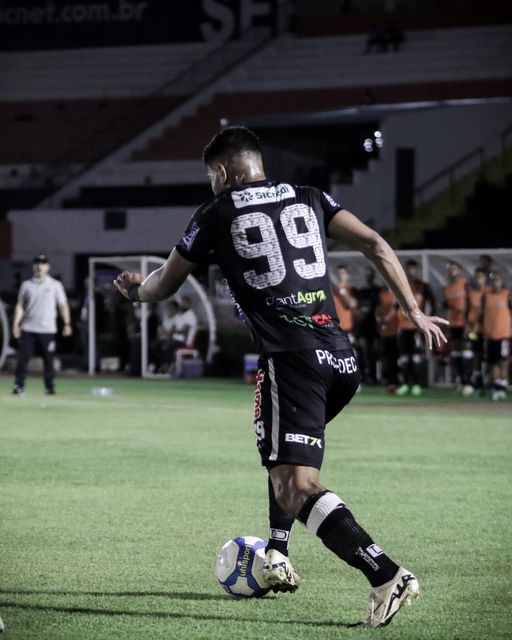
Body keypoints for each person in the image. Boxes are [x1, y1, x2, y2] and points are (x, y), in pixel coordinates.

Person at [114, 126, 447, 628]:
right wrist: (413, 310)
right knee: (285, 466)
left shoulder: (215, 212)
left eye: (211, 177)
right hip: (340, 360)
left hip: (290, 360)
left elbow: (165, 284)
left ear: (222, 172)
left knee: (294, 484)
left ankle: (386, 575)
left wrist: (137, 291)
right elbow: (376, 244)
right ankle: (276, 552)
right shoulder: (309, 196)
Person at [11, 254, 72, 395]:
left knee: (49, 360)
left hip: (48, 329)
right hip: (28, 328)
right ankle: (18, 386)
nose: (40, 266)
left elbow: (63, 305)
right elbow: (20, 306)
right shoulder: (26, 285)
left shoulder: (55, 285)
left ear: (47, 266)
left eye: (43, 263)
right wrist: (16, 324)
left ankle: (49, 387)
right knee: (22, 359)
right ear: (34, 265)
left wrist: (67, 323)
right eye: (37, 263)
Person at [395, 259, 436, 397]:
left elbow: (433, 303)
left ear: (417, 270)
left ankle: (418, 384)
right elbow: (396, 306)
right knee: (404, 358)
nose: (410, 271)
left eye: (413, 268)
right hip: (403, 328)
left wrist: (427, 320)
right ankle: (406, 384)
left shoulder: (423, 286)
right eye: (408, 268)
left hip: (417, 328)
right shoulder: (402, 285)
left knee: (417, 357)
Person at [442, 261, 473, 394]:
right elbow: (447, 304)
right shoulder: (447, 287)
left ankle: (470, 381)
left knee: (467, 351)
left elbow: (472, 303)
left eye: (454, 269)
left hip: (465, 324)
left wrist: (468, 321)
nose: (452, 271)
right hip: (453, 324)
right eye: (450, 269)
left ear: (459, 270)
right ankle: (461, 381)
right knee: (455, 353)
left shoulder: (465, 284)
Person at [482, 272, 511, 401]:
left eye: (498, 280)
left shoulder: (507, 295)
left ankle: (503, 387)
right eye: (493, 281)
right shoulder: (486, 296)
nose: (495, 283)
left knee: (502, 362)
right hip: (489, 334)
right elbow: (481, 313)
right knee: (492, 362)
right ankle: (496, 386)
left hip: (503, 334)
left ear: (502, 281)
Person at [354, 266, 380, 384]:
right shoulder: (360, 291)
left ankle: (375, 375)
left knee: (375, 350)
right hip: (363, 326)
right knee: (363, 350)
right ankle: (365, 373)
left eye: (370, 273)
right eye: (366, 273)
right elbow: (355, 308)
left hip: (374, 325)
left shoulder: (377, 291)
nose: (368, 276)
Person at [466, 267, 487, 392]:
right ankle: (476, 377)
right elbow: (468, 310)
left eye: (481, 277)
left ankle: (489, 379)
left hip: (488, 330)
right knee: (475, 353)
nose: (478, 280)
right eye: (477, 277)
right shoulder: (472, 293)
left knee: (488, 356)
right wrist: (468, 327)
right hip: (474, 330)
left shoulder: (489, 292)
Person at [375, 286, 399, 392]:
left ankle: (400, 381)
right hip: (386, 332)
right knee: (387, 358)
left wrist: (387, 318)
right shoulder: (381, 294)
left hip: (398, 330)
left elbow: (397, 308)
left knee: (397, 357)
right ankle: (390, 381)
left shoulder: (398, 293)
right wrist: (380, 320)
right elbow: (377, 311)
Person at [332, 264, 357, 345]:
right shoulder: (332, 291)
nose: (340, 276)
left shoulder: (351, 289)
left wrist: (342, 291)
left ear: (347, 275)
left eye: (342, 274)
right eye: (338, 274)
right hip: (335, 328)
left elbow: (351, 304)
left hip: (347, 329)